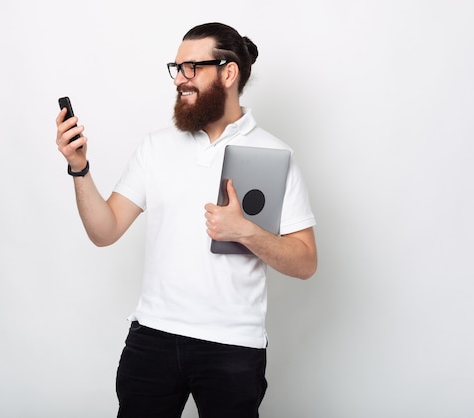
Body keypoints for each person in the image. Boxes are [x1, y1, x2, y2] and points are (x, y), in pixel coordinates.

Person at [56, 22, 317, 418]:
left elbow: (305, 262)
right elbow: (104, 231)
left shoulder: (273, 154)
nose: (180, 79)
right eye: (176, 69)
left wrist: (246, 231)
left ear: (229, 73)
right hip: (153, 337)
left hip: (233, 347)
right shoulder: (155, 147)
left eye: (192, 68)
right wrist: (80, 168)